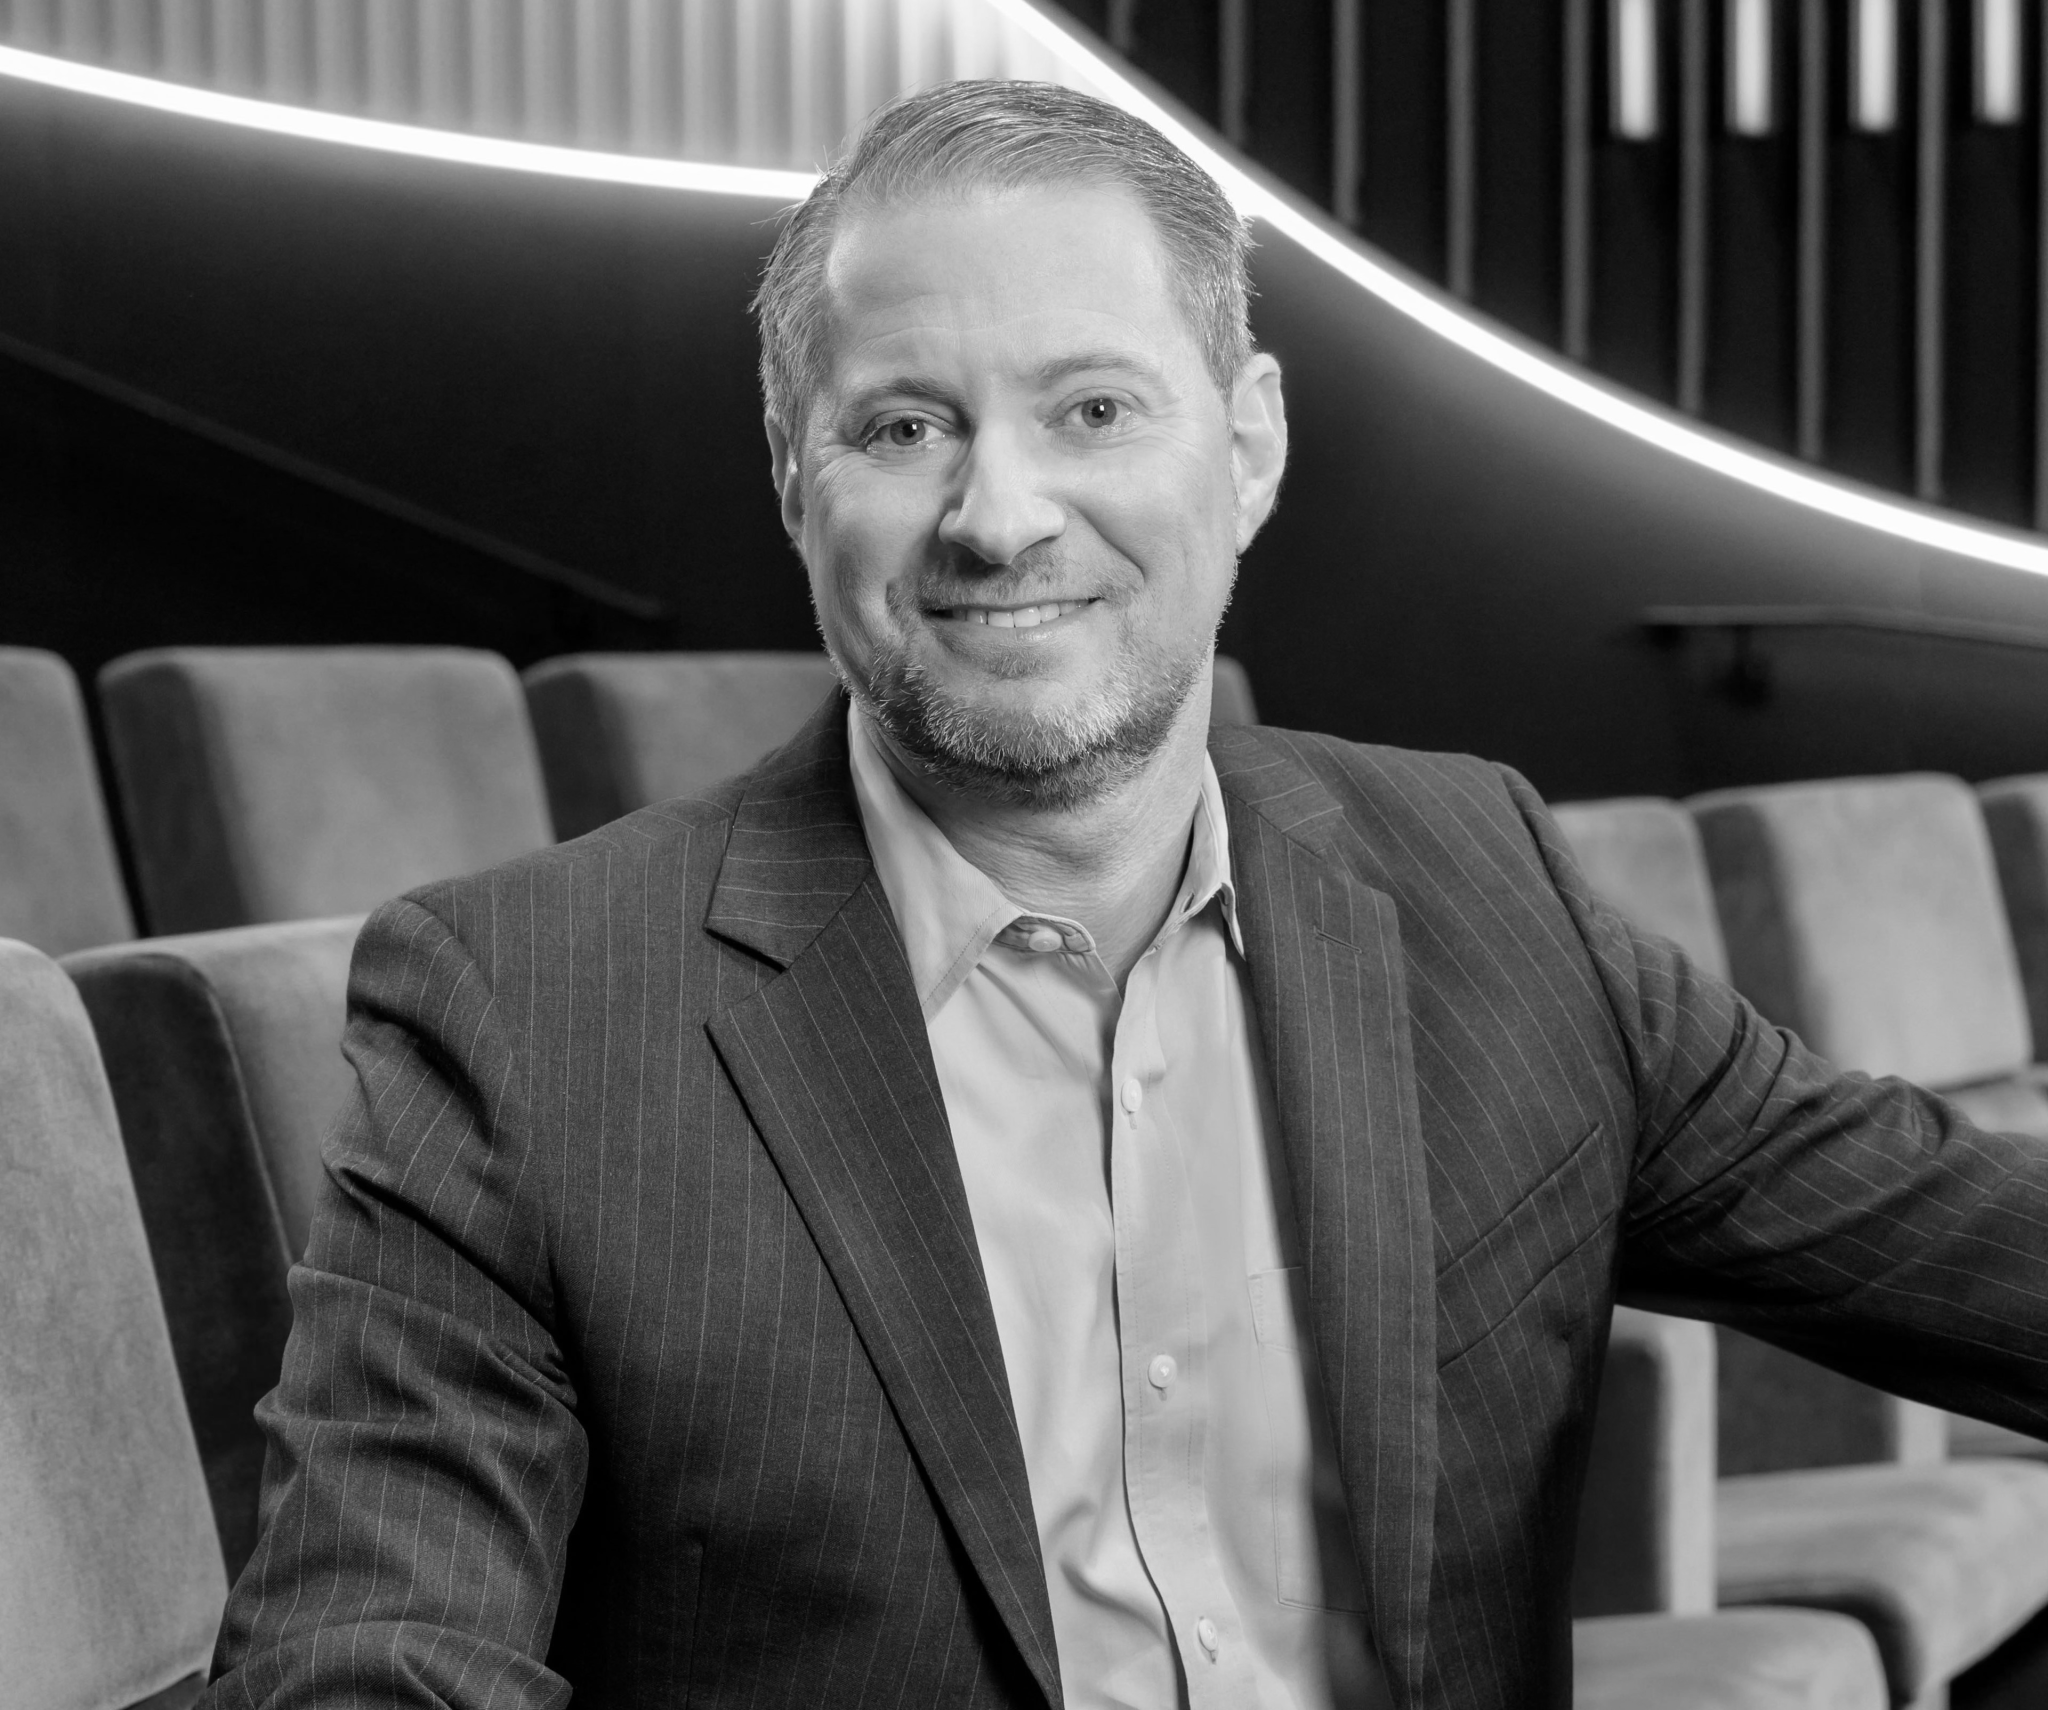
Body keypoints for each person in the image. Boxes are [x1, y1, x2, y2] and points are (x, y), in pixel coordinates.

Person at [205, 80, 2048, 1710]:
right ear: (791, 478)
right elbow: (367, 1651)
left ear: (1246, 448)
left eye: (1091, 407)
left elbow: (1962, 1248)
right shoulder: (523, 1010)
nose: (1000, 515)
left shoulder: (1486, 888)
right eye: (903, 427)